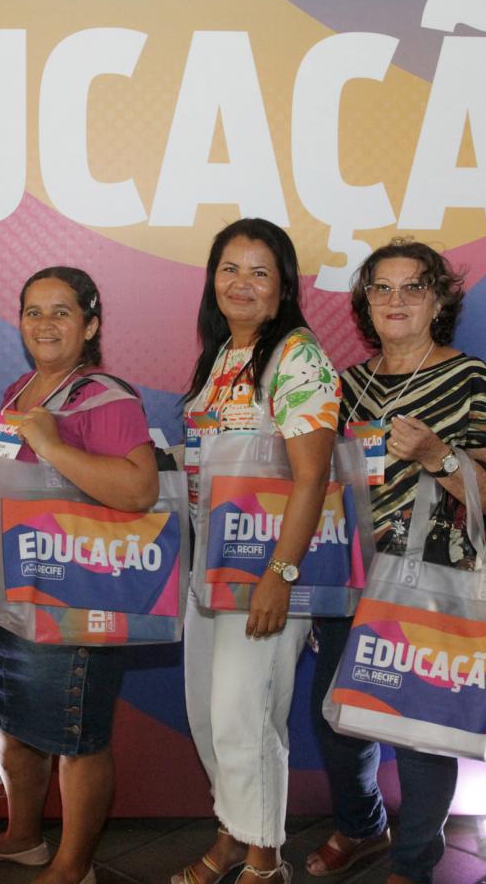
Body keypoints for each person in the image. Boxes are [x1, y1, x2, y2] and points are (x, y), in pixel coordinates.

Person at [306, 239, 486, 884]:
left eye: (413, 287)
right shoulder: (347, 385)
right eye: (382, 287)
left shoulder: (469, 378)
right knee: (337, 719)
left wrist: (439, 457)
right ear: (365, 303)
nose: (396, 299)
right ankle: (362, 826)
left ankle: (414, 860)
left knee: (423, 734)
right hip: (352, 581)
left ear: (438, 301)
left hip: (433, 584)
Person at [0, 267, 159, 884]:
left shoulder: (105, 396)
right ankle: (23, 838)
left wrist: (53, 447)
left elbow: (140, 489)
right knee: (11, 721)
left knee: (76, 734)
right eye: (33, 311)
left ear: (90, 325)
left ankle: (74, 867)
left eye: (61, 312)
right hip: (13, 587)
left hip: (73, 594)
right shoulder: (21, 389)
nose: (44, 324)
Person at [174, 218, 341, 884]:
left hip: (267, 569)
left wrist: (280, 574)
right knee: (209, 716)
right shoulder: (223, 355)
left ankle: (265, 861)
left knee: (246, 716)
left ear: (283, 288)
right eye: (229, 269)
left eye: (259, 272)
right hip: (212, 564)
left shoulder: (296, 356)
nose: (241, 284)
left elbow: (313, 476)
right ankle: (233, 836)